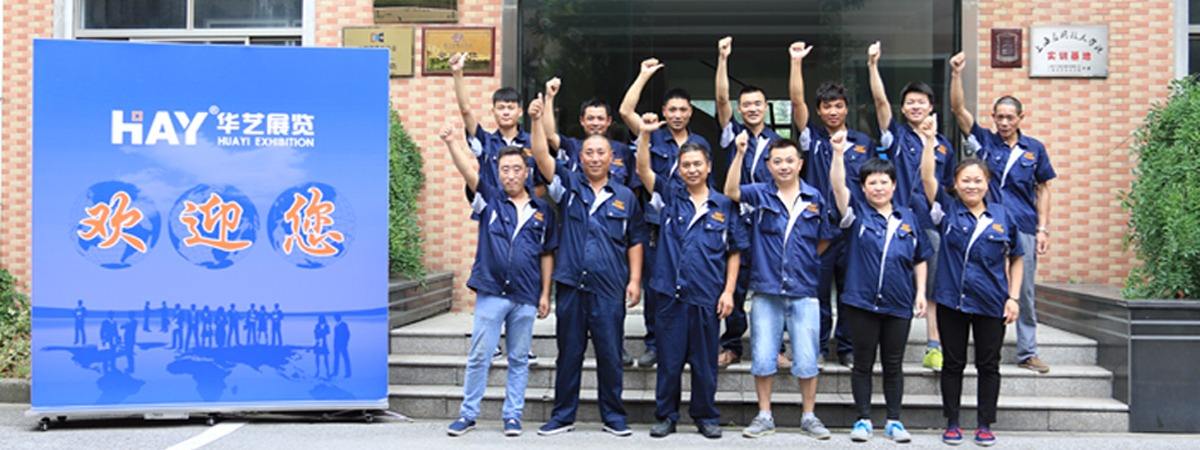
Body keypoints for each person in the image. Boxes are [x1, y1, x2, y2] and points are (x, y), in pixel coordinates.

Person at [532, 93, 648, 437]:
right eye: (589, 153)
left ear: (612, 158)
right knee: (569, 354)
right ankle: (562, 416)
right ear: (580, 157)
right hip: (571, 284)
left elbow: (636, 239)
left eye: (601, 153)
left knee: (610, 354)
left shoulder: (625, 197)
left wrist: (635, 280)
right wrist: (537, 120)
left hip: (610, 287)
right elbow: (541, 156)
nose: (595, 158)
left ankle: (613, 416)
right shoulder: (567, 186)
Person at [439, 108, 557, 437]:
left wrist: (545, 294)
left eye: (516, 169)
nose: (510, 175)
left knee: (518, 359)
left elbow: (547, 253)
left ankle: (512, 416)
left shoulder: (542, 211)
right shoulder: (489, 200)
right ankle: (468, 414)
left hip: (526, 295)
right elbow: (469, 171)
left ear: (527, 172)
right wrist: (452, 143)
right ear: (498, 172)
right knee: (480, 356)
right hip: (492, 291)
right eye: (505, 169)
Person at [635, 112, 745, 439]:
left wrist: (728, 292)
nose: (692, 169)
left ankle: (705, 416)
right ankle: (666, 416)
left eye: (698, 164)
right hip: (670, 295)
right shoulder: (670, 196)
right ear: (679, 169)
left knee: (704, 364)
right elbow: (643, 170)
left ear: (709, 167)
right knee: (669, 362)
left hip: (706, 296)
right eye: (686, 165)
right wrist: (644, 135)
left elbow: (735, 251)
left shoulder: (724, 205)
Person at [920, 114, 1024, 447]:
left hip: (992, 301)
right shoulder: (947, 210)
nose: (971, 186)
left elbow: (1017, 257)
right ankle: (952, 422)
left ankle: (984, 424)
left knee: (988, 365)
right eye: (965, 180)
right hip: (952, 299)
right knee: (953, 364)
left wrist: (1013, 297)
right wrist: (928, 142)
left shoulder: (1003, 217)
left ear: (987, 183)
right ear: (955, 183)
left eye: (978, 180)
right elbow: (927, 178)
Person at [949, 52, 1056, 375]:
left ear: (1021, 117)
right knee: (981, 280)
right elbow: (958, 110)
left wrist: (1043, 228)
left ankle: (1028, 351)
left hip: (1022, 224)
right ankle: (982, 344)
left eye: (1010, 117)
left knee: (1024, 290)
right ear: (993, 117)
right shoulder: (984, 141)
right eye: (999, 117)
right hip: (986, 225)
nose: (1004, 123)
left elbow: (1044, 188)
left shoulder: (1034, 149)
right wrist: (956, 75)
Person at [725, 134, 833, 440]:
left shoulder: (814, 198)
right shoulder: (760, 193)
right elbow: (731, 191)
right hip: (767, 290)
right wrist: (739, 154)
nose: (784, 166)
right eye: (777, 161)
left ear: (800, 164)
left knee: (808, 358)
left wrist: (803, 260)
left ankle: (809, 416)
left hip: (804, 290)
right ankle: (764, 415)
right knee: (762, 356)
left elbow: (823, 239)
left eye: (789, 161)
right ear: (769, 166)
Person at [829, 129, 931, 443]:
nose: (878, 187)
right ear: (863, 187)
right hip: (861, 302)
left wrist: (921, 293)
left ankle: (894, 421)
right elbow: (838, 187)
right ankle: (862, 420)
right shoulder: (856, 215)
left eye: (883, 181)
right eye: (871, 182)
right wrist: (837, 154)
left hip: (898, 303)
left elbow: (920, 258)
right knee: (862, 364)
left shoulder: (909, 218)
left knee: (893, 364)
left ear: (893, 185)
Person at [866, 41, 957, 371]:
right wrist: (873, 65)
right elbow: (880, 101)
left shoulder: (944, 146)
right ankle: (886, 345)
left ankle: (933, 345)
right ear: (903, 109)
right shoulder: (896, 136)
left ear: (931, 107)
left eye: (921, 102)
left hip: (930, 223)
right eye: (910, 102)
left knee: (932, 285)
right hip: (897, 220)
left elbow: (949, 185)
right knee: (890, 279)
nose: (916, 106)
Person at [619, 58, 712, 368]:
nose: (677, 115)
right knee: (656, 284)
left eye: (683, 110)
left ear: (691, 112)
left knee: (691, 279)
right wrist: (643, 75)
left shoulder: (700, 144)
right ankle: (654, 343)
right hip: (656, 224)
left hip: (692, 221)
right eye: (672, 110)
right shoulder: (654, 134)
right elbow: (625, 111)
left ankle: (686, 343)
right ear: (664, 112)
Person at [791, 41, 874, 367]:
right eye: (827, 107)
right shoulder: (812, 137)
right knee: (818, 291)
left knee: (851, 291)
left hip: (854, 228)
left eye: (838, 106)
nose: (833, 112)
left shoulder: (863, 143)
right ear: (819, 110)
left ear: (846, 109)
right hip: (819, 229)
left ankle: (847, 348)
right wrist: (796, 62)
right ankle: (819, 346)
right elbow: (797, 101)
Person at [714, 36, 783, 368]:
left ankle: (775, 347)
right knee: (736, 284)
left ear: (765, 106)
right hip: (738, 219)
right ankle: (732, 345)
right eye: (746, 104)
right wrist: (723, 59)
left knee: (772, 283)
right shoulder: (734, 135)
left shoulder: (778, 142)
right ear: (740, 109)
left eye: (757, 103)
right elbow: (720, 98)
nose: (752, 108)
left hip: (768, 221)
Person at [449, 52, 540, 199]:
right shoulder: (485, 142)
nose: (506, 112)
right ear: (493, 111)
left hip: (524, 209)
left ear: (520, 112)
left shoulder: (532, 143)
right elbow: (466, 110)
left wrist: (527, 202)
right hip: (492, 208)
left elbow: (542, 183)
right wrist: (457, 73)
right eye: (501, 108)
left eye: (510, 108)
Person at [332, 314, 351, 379]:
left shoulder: (344, 325)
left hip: (342, 345)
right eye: (335, 318)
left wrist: (345, 343)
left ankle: (348, 373)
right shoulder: (336, 326)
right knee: (336, 359)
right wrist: (334, 344)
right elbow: (336, 337)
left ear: (339, 317)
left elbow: (347, 334)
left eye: (336, 317)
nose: (335, 319)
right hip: (336, 345)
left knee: (345, 358)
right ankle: (335, 372)